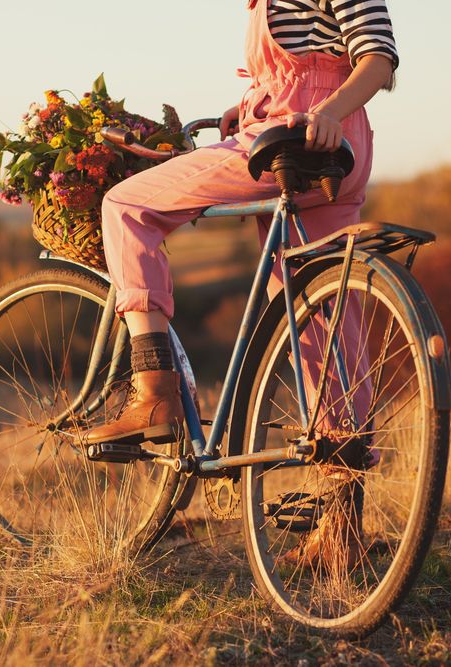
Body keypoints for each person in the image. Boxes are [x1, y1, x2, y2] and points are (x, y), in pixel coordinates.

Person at [79, 0, 399, 567]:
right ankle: (342, 527)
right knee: (320, 319)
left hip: (298, 139)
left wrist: (320, 110)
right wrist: (249, 105)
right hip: (338, 149)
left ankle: (154, 393)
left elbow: (377, 57)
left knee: (125, 205)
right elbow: (309, 62)